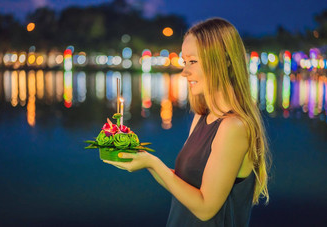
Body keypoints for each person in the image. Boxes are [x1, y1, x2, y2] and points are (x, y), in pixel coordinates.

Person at [103, 17, 271, 226]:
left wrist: (153, 163)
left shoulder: (233, 127)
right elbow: (183, 185)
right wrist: (146, 161)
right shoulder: (202, 117)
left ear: (224, 60)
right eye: (185, 62)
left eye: (193, 61)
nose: (184, 72)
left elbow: (205, 208)